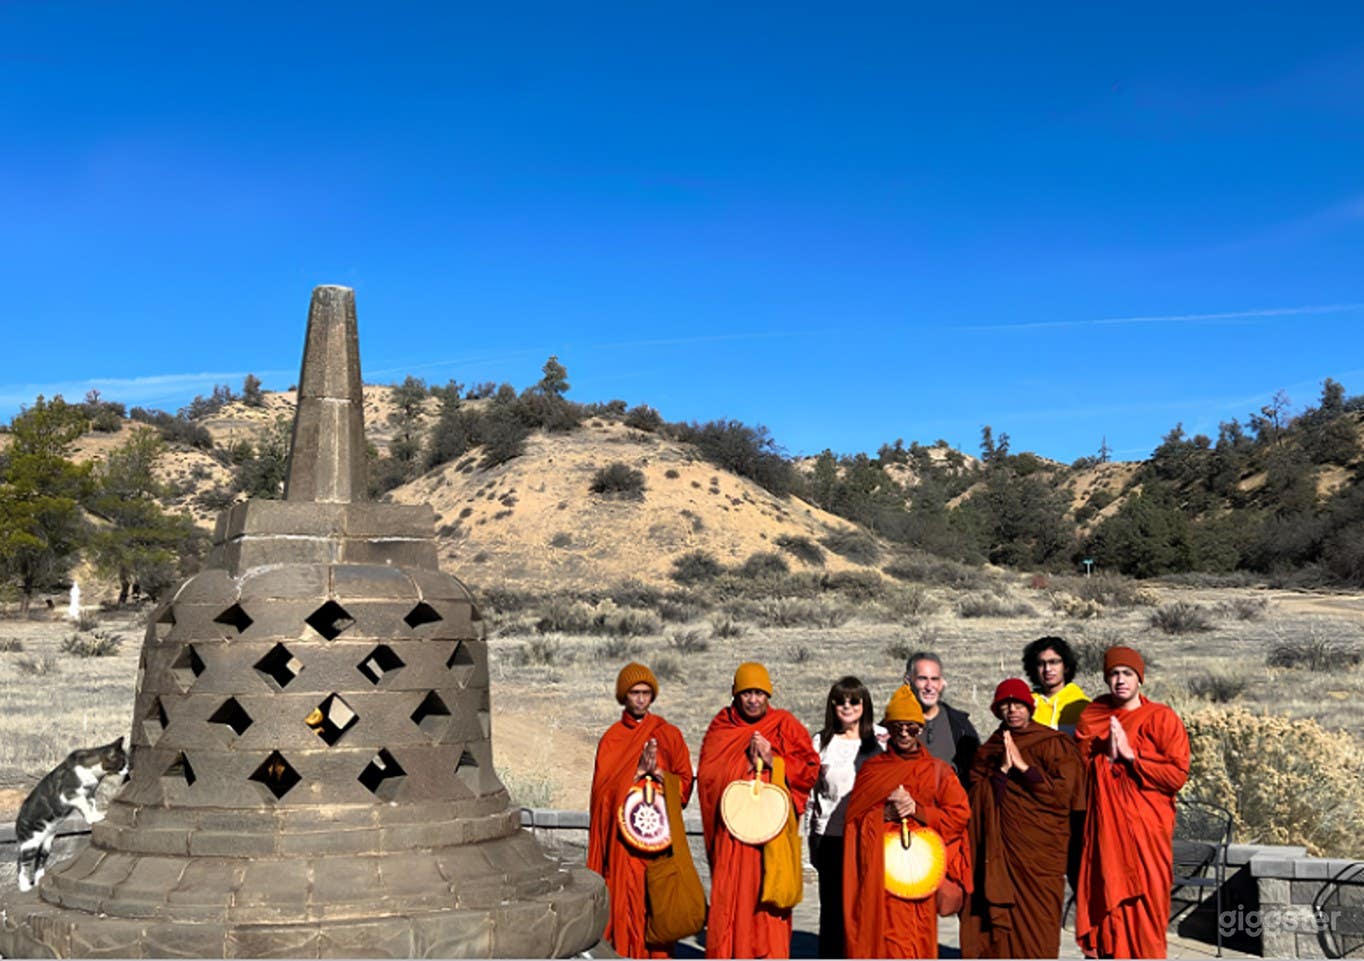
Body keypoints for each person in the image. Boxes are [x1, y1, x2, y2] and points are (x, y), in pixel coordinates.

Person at [697, 662, 820, 959]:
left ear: (769, 694)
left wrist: (773, 760)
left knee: (768, 908)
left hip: (770, 837)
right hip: (731, 837)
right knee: (731, 901)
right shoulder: (721, 727)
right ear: (734, 694)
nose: (753, 700)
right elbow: (709, 777)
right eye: (747, 693)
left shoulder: (784, 723)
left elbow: (810, 768)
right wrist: (741, 771)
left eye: (760, 693)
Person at [1075, 646, 1189, 959]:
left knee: (1147, 903)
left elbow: (1176, 775)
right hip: (1106, 833)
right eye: (1113, 673)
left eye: (1127, 673)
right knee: (1108, 897)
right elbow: (1080, 772)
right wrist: (1106, 758)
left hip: (1146, 834)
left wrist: (1132, 756)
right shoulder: (1094, 716)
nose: (1120, 680)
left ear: (1140, 678)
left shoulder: (1161, 718)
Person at [843, 685, 971, 959]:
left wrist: (918, 810)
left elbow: (959, 816)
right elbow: (853, 822)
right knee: (885, 938)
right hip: (880, 874)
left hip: (920, 872)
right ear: (888, 728)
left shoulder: (938, 771)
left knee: (916, 938)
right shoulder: (872, 770)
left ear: (920, 730)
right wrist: (883, 816)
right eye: (897, 726)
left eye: (911, 727)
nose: (903, 733)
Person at [959, 678, 1084, 959]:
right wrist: (1002, 772)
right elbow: (977, 801)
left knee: (1039, 930)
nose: (1012, 710)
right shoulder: (991, 748)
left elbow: (1065, 797)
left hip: (1040, 856)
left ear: (1029, 706)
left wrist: (1025, 768)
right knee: (997, 934)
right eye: (1005, 705)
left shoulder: (1053, 744)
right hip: (1001, 853)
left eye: (1018, 704)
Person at [587, 663, 695, 958]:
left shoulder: (667, 734)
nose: (640, 699)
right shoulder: (612, 739)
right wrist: (634, 774)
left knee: (656, 907)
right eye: (634, 692)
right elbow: (601, 797)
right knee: (623, 908)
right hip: (623, 846)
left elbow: (685, 784)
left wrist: (660, 774)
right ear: (624, 696)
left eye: (646, 693)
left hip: (656, 842)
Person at [808, 677, 885, 959]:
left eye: (854, 700)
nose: (847, 706)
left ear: (865, 704)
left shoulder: (881, 739)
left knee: (865, 907)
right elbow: (811, 795)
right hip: (831, 836)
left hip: (870, 836)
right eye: (841, 701)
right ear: (832, 705)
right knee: (833, 910)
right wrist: (810, 840)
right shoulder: (821, 742)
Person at [904, 651, 980, 787]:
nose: (929, 686)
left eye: (934, 679)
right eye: (922, 678)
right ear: (908, 680)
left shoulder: (960, 725)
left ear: (942, 683)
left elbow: (976, 774)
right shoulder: (891, 728)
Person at [1023, 636, 1090, 735]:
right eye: (1041, 664)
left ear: (1066, 666)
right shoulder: (1026, 705)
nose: (1047, 669)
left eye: (1053, 662)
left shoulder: (1081, 705)